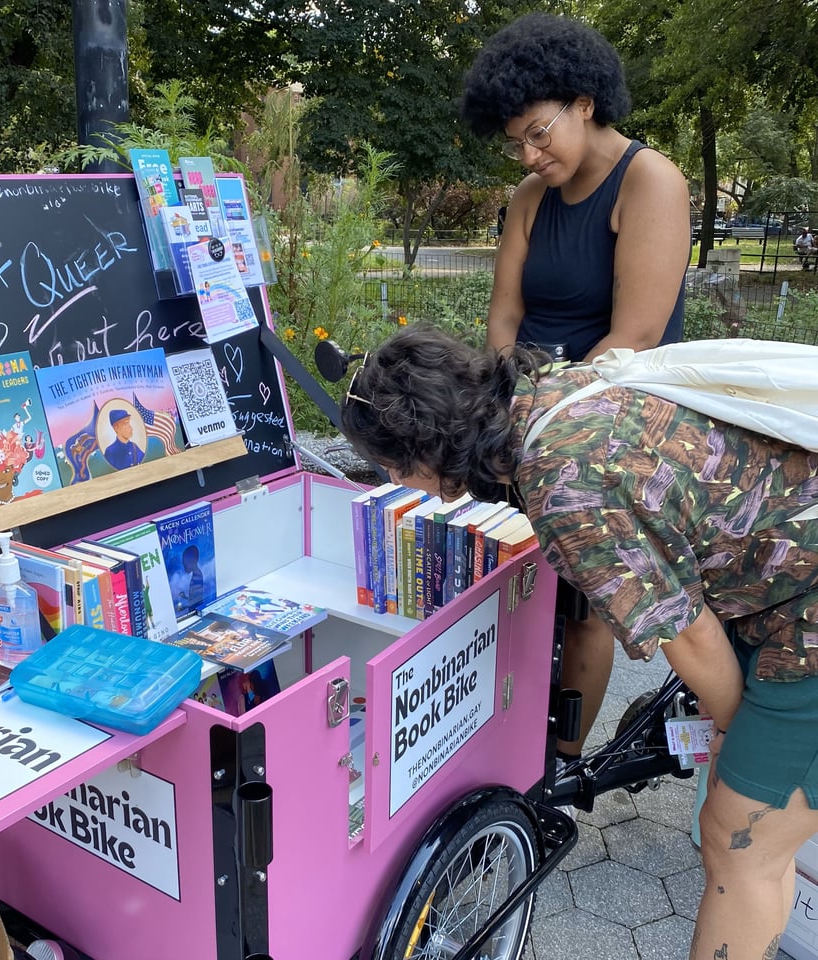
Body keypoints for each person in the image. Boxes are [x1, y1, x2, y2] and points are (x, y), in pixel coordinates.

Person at [341, 324, 818, 960]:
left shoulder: (567, 488)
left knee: (741, 840)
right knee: (753, 836)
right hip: (780, 578)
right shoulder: (551, 394)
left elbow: (691, 637)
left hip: (804, 615)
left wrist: (733, 729)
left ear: (423, 455)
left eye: (390, 468)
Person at [462, 13, 692, 764]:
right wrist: (503, 396)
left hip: (610, 418)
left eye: (538, 132)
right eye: (515, 142)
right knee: (514, 578)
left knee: (585, 604)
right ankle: (498, 731)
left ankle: (555, 766)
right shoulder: (531, 197)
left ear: (585, 102)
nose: (528, 154)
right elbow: (504, 313)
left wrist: (543, 416)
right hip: (530, 410)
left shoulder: (650, 181)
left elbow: (639, 334)